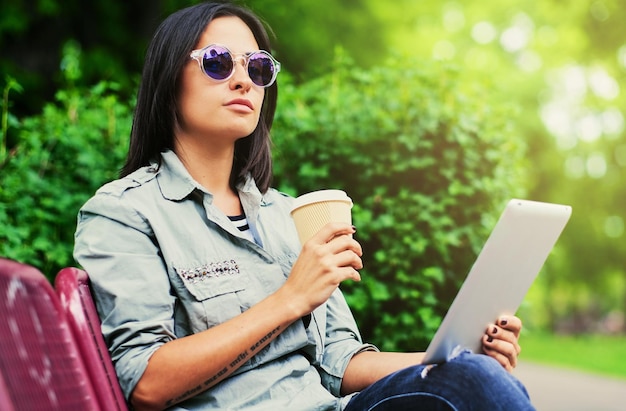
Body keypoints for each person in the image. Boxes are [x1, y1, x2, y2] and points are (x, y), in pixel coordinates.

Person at [73, 2, 535, 410]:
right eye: (217, 63)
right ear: (169, 79)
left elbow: (339, 360)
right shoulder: (124, 213)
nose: (242, 81)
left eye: (256, 68)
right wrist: (290, 299)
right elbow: (146, 384)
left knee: (477, 378)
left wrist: (452, 362)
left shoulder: (286, 215)